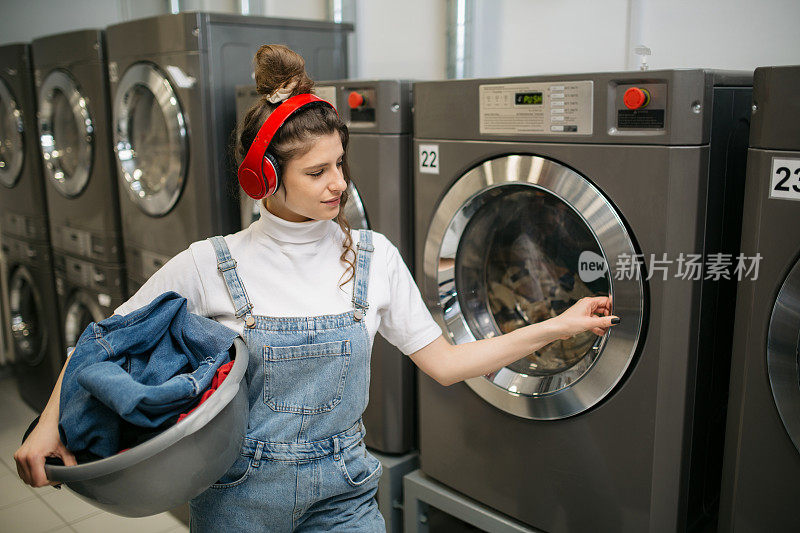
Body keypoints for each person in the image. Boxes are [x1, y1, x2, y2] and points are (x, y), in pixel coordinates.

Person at [14, 45, 618, 531]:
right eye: (316, 171)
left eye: (340, 164)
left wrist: (559, 325)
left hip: (346, 491)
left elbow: (446, 364)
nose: (338, 185)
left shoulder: (375, 257)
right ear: (264, 177)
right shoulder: (209, 264)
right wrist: (47, 428)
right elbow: (103, 342)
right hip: (239, 499)